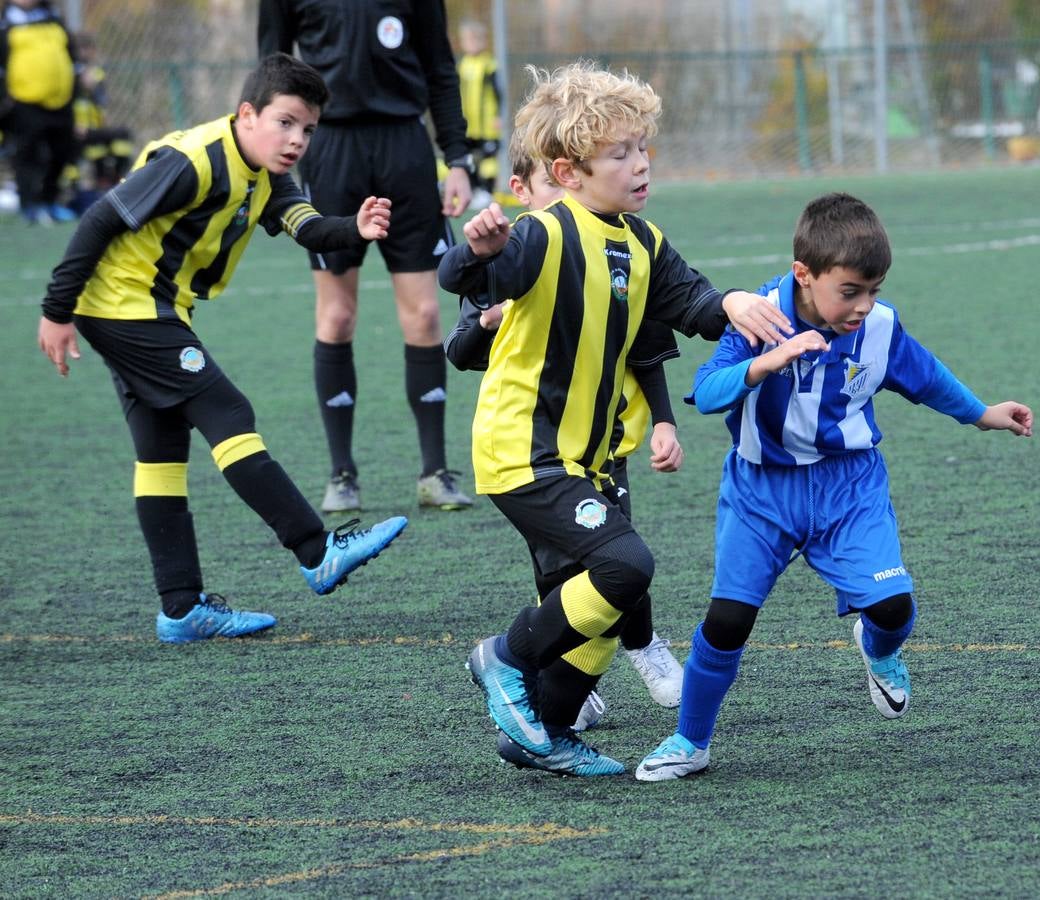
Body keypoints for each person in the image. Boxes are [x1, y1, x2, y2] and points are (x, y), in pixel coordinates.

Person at [440, 60, 793, 778]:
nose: (640, 164)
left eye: (642, 147)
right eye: (620, 153)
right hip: (525, 449)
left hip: (589, 459)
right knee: (627, 564)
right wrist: (474, 254)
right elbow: (471, 278)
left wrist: (729, 304)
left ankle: (549, 732)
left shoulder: (641, 239)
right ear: (568, 171)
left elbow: (687, 300)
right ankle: (501, 659)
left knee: (604, 612)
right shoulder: (543, 233)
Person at [635, 193, 1035, 781]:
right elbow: (709, 391)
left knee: (895, 607)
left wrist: (981, 413)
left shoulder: (878, 327)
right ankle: (691, 742)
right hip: (761, 493)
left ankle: (877, 649)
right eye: (850, 291)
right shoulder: (759, 315)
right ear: (804, 274)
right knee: (726, 623)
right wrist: (772, 359)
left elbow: (924, 377)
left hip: (849, 488)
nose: (863, 306)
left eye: (873, 291)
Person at [35, 52, 409, 644]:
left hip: (146, 308)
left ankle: (181, 608)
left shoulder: (265, 174)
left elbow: (303, 224)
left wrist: (352, 228)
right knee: (228, 413)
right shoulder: (194, 161)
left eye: (308, 129)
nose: (296, 140)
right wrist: (56, 312)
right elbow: (100, 220)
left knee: (160, 453)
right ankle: (316, 550)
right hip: (124, 305)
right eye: (285, 122)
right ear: (247, 114)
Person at [444, 133, 686, 730]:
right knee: (576, 570)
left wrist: (663, 420)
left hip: (604, 445)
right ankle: (538, 673)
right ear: (526, 190)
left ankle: (636, 647)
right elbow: (460, 341)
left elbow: (648, 349)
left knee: (615, 559)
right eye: (550, 187)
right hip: (539, 449)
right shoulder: (523, 252)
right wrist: (487, 315)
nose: (564, 198)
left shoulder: (625, 245)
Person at [259, 0, 475, 514]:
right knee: (337, 316)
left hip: (405, 146)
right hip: (331, 150)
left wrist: (458, 158)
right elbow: (270, 69)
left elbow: (440, 70)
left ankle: (434, 473)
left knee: (424, 315)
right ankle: (341, 474)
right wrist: (274, 155)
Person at [0, 0, 77, 225]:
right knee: (27, 154)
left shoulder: (53, 18)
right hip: (24, 102)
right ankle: (29, 205)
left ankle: (49, 201)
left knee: (63, 151)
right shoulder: (6, 22)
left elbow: (70, 54)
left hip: (61, 100)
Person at [68, 30, 133, 211]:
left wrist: (92, 87)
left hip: (93, 128)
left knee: (122, 135)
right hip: (72, 128)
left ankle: (114, 181)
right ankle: (74, 193)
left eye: (87, 49)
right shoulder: (66, 73)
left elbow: (102, 100)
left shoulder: (96, 74)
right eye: (80, 50)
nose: (84, 54)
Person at [455, 20, 501, 209]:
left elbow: (499, 93)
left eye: (476, 40)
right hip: (468, 124)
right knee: (469, 158)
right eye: (468, 40)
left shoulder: (489, 64)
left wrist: (498, 116)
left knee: (489, 159)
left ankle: (487, 192)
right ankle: (475, 191)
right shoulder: (462, 65)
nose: (472, 44)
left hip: (487, 124)